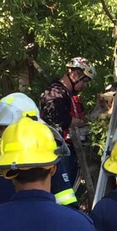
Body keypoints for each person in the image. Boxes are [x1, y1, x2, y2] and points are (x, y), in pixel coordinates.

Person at [0, 92, 79, 210]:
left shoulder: (48, 159)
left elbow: (68, 207)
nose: (1, 133)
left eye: (5, 127)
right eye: (0, 128)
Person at [39, 57, 94, 189]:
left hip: (69, 150)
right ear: (75, 74)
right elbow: (58, 118)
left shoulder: (67, 95)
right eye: (84, 81)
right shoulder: (55, 93)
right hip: (58, 152)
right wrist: (83, 122)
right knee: (62, 188)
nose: (84, 86)